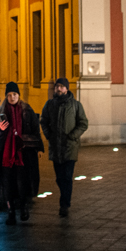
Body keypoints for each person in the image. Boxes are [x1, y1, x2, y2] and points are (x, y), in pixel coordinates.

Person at [39, 76, 88, 217]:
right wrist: (48, 135)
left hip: (69, 147)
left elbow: (83, 123)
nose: (58, 89)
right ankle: (64, 199)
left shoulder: (75, 105)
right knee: (59, 178)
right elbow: (44, 121)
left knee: (67, 176)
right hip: (55, 147)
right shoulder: (49, 104)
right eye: (57, 86)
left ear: (66, 88)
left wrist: (73, 136)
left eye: (61, 86)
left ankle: (65, 204)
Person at [0, 81, 41, 225]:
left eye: (14, 94)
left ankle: (24, 208)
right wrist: (0, 130)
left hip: (23, 154)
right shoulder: (1, 112)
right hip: (7, 155)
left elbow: (35, 130)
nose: (12, 97)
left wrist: (35, 147)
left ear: (18, 95)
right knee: (8, 184)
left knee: (23, 183)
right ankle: (11, 212)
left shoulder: (27, 110)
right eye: (9, 95)